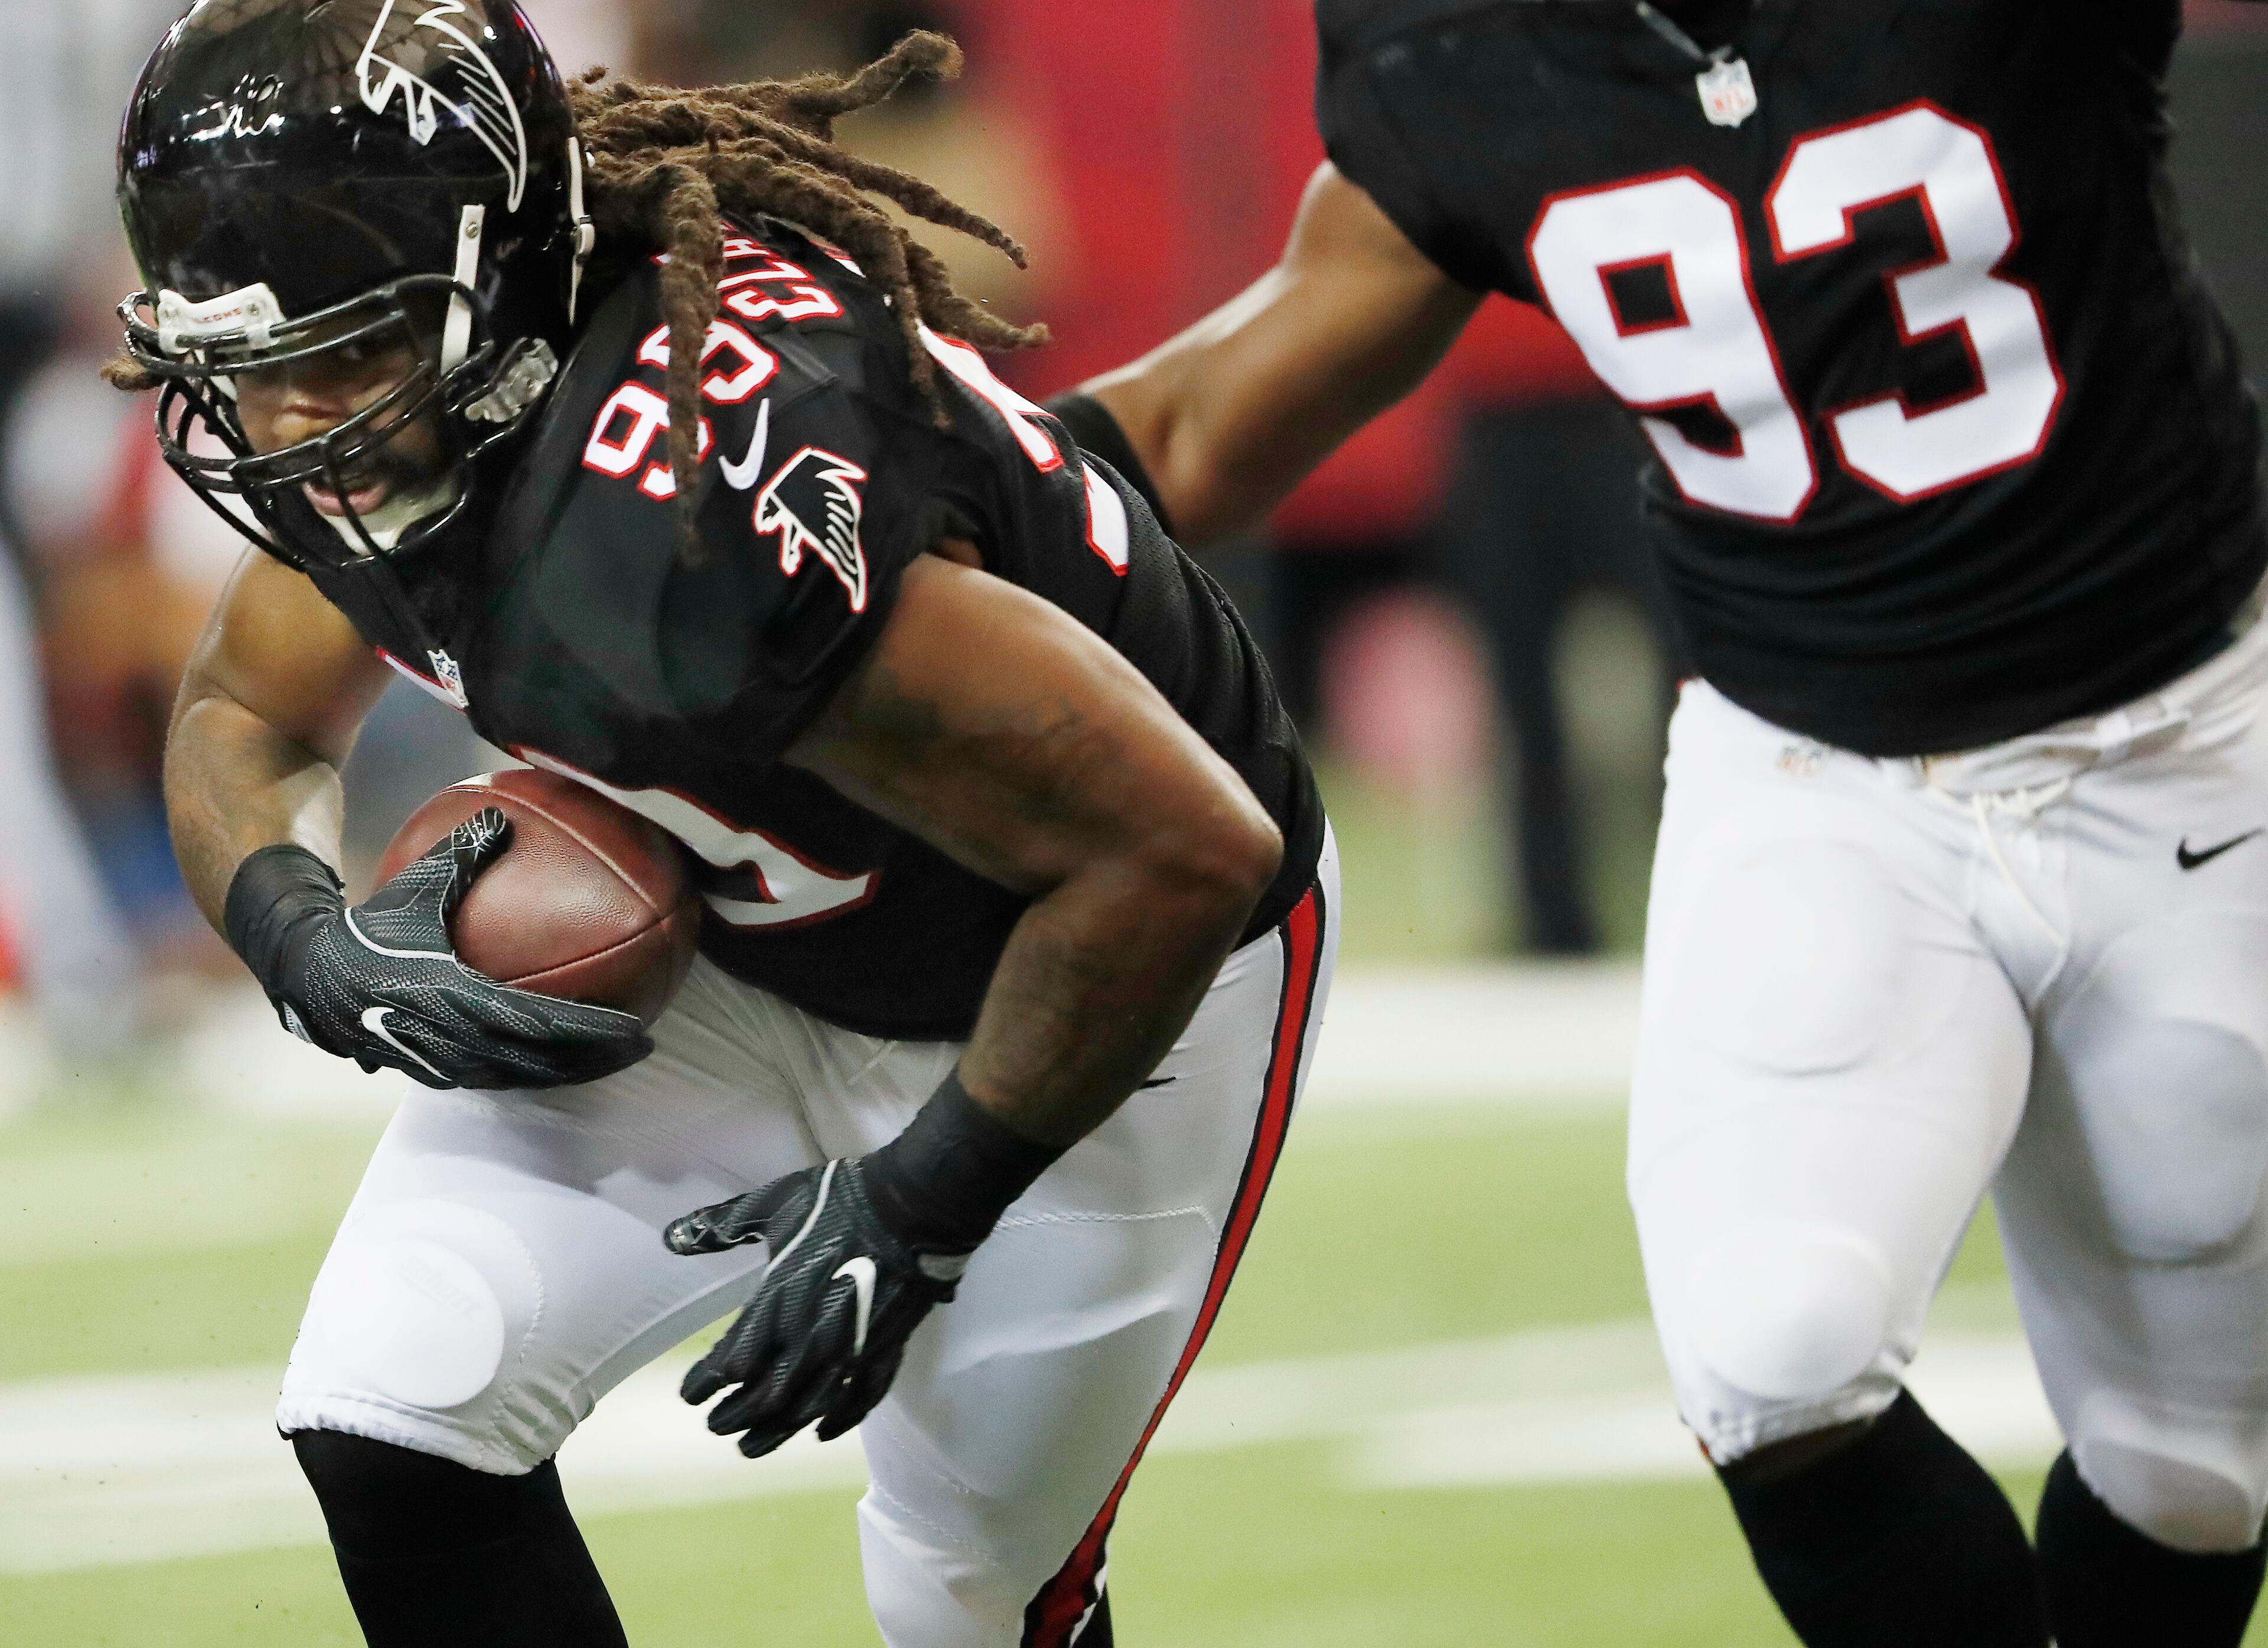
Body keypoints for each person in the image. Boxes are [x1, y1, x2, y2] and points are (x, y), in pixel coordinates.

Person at [112, 6, 1332, 1646]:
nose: (289, 427)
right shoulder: (412, 401)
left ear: (502, 277)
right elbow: (239, 716)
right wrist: (296, 928)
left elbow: (1181, 847)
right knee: (401, 1394)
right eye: (250, 367)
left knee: (965, 1597)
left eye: (343, 353)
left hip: (1094, 975)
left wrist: (928, 1194)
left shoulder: (694, 507)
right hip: (757, 935)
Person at [1052, 0, 2268, 1644]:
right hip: (1815, 772)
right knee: (1777, 1353)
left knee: (2190, 1471)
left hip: (2186, 737)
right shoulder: (1458, 46)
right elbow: (1211, 413)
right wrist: (945, 494)